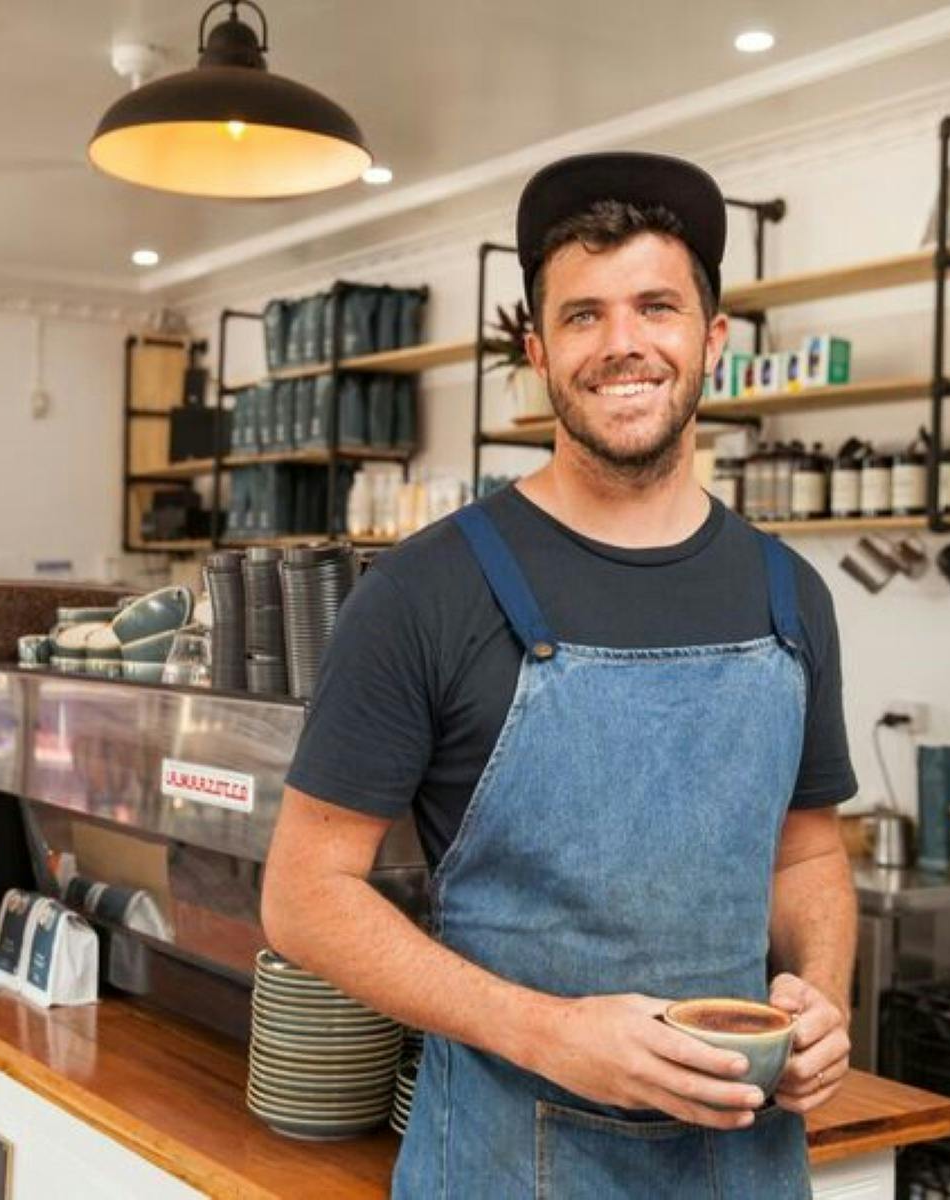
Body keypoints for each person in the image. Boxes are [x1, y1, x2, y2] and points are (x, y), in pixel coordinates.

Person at [262, 151, 858, 1198]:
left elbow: (805, 858)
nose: (621, 344)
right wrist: (546, 1032)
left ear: (711, 339)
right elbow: (304, 897)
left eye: (656, 308)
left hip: (745, 1163)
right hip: (501, 1161)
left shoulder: (789, 595)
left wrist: (820, 999)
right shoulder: (424, 591)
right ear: (537, 351)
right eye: (582, 316)